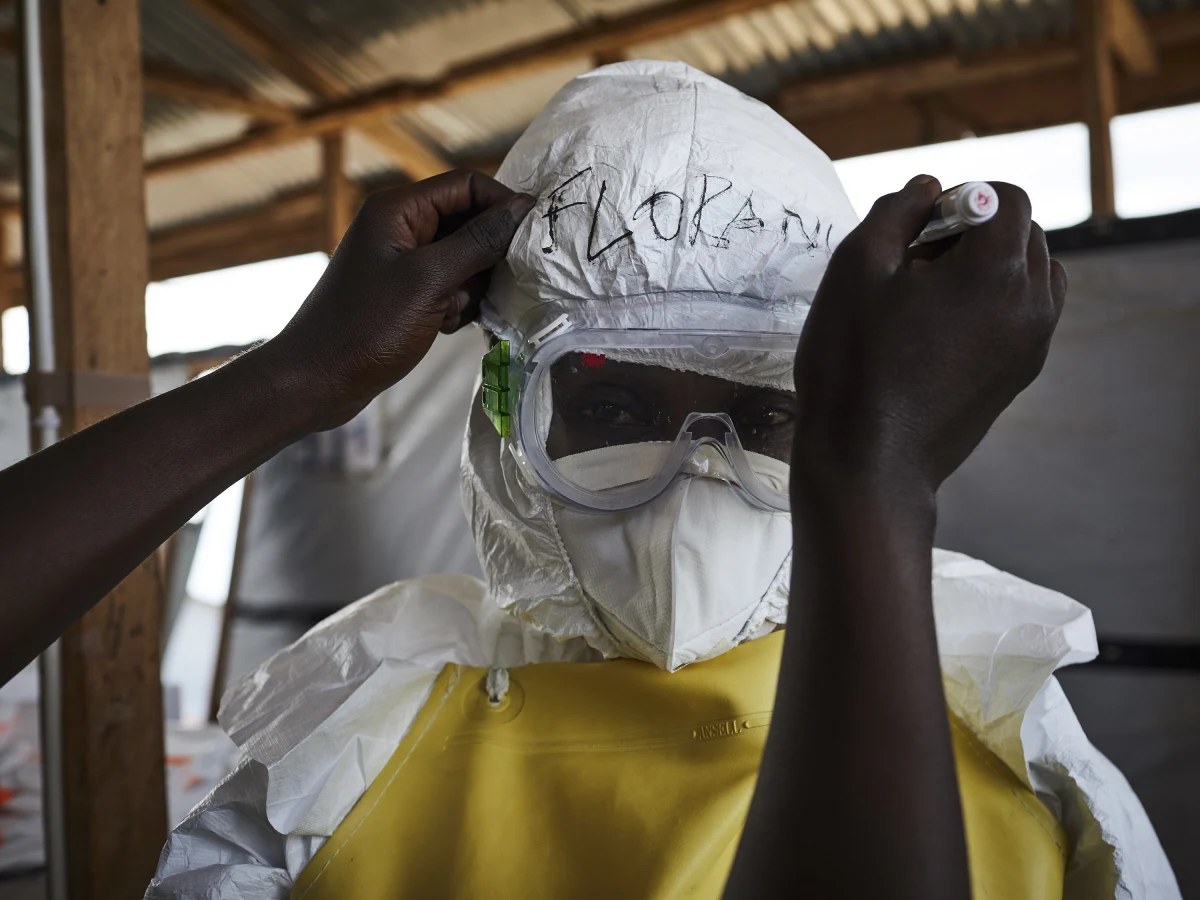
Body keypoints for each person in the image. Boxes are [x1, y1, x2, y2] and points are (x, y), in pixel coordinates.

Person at [139, 63, 1178, 899]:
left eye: (766, 417)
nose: (689, 492)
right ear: (507, 411)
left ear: (846, 413)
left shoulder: (1013, 738)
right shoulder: (352, 749)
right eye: (616, 412)